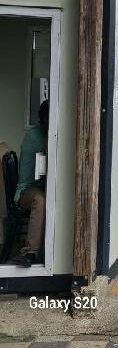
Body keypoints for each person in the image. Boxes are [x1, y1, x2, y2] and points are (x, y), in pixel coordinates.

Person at [10, 100, 49, 267]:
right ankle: (30, 251)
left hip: (40, 185)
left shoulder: (47, 133)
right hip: (27, 190)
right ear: (46, 118)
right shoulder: (35, 136)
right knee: (40, 199)